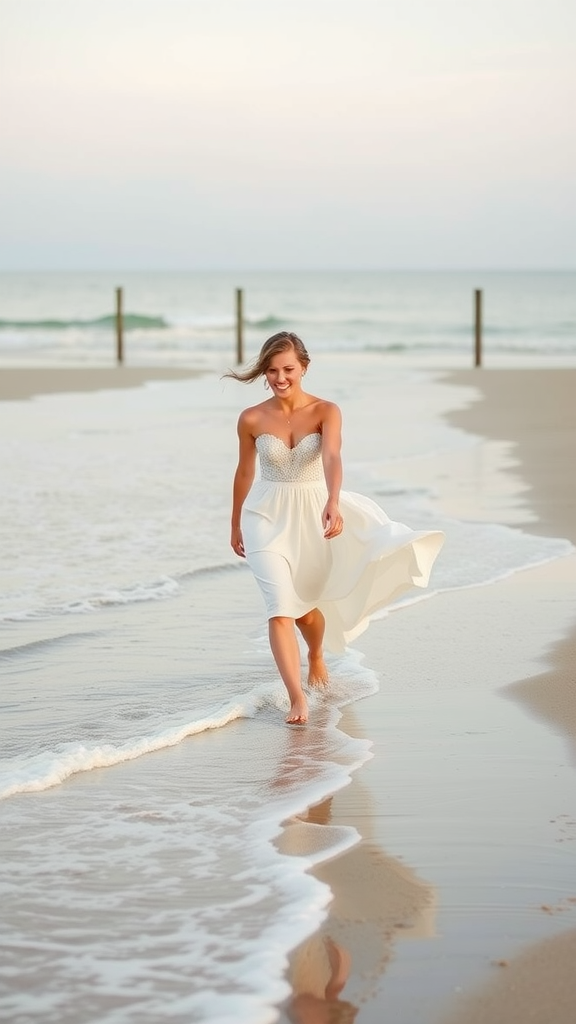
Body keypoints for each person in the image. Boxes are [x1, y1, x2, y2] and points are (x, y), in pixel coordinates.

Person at [227, 331, 444, 725]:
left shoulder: (327, 410)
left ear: (304, 368)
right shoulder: (252, 418)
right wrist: (235, 522)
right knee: (279, 609)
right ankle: (297, 699)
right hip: (264, 516)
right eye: (272, 370)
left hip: (311, 512)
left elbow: (331, 457)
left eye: (288, 369)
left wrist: (332, 499)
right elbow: (244, 472)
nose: (280, 377)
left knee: (306, 611)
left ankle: (315, 655)